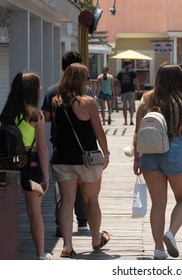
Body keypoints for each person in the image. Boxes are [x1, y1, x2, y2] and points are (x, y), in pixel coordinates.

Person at [133, 64, 182, 260]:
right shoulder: (179, 101)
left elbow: (138, 129)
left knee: (158, 204)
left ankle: (158, 249)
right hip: (173, 151)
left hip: (149, 154)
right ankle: (170, 233)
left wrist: (137, 159)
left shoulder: (146, 99)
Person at [50, 63, 111, 257]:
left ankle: (67, 246)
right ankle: (95, 239)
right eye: (86, 78)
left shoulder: (55, 102)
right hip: (88, 159)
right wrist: (106, 153)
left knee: (67, 201)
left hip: (62, 158)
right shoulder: (89, 102)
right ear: (82, 80)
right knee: (91, 199)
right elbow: (99, 132)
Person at [0, 72, 52, 260]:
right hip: (31, 165)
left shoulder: (6, 113)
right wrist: (46, 176)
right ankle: (40, 254)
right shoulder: (35, 115)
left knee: (7, 212)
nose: (40, 88)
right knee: (34, 212)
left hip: (8, 165)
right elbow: (43, 149)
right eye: (38, 86)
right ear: (32, 90)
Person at [42, 51, 88, 237]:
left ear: (63, 67)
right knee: (82, 186)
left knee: (62, 189)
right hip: (84, 147)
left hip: (59, 145)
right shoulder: (88, 91)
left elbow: (44, 116)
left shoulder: (52, 90)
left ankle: (61, 224)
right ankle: (83, 222)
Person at [117, 60, 141, 125]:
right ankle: (131, 120)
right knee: (131, 105)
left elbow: (118, 83)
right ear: (130, 64)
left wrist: (119, 91)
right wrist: (138, 90)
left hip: (123, 91)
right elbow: (136, 81)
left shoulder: (120, 72)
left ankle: (125, 121)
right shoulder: (133, 71)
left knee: (124, 106)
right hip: (131, 90)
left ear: (124, 64)